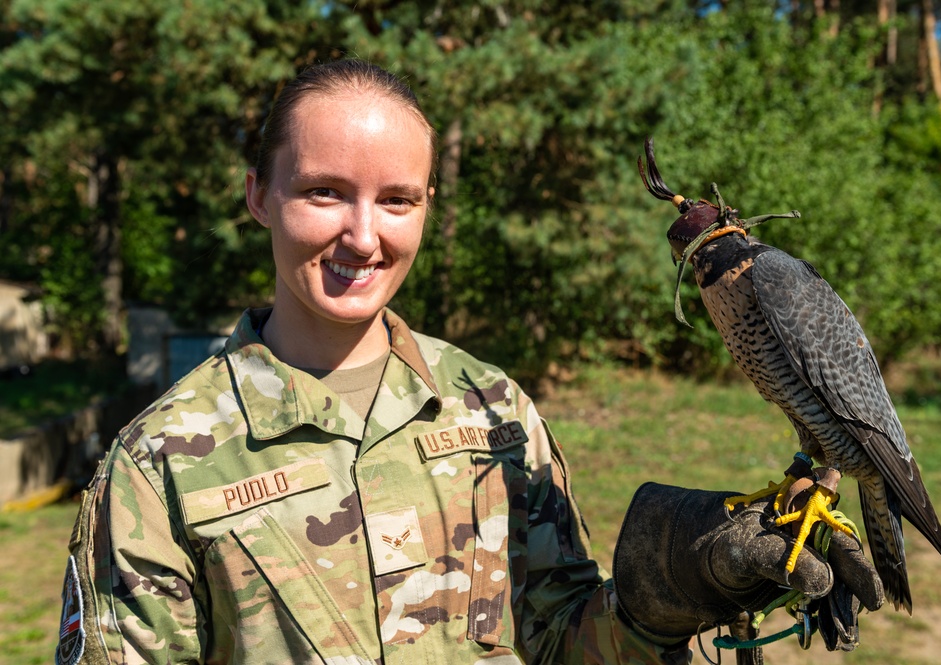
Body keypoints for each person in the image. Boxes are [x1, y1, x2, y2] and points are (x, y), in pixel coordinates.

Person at [57, 60, 883, 665]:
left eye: (396, 200)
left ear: (425, 207)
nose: (363, 234)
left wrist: (668, 594)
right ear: (256, 197)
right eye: (322, 192)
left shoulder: (494, 411)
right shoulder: (158, 465)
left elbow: (565, 647)